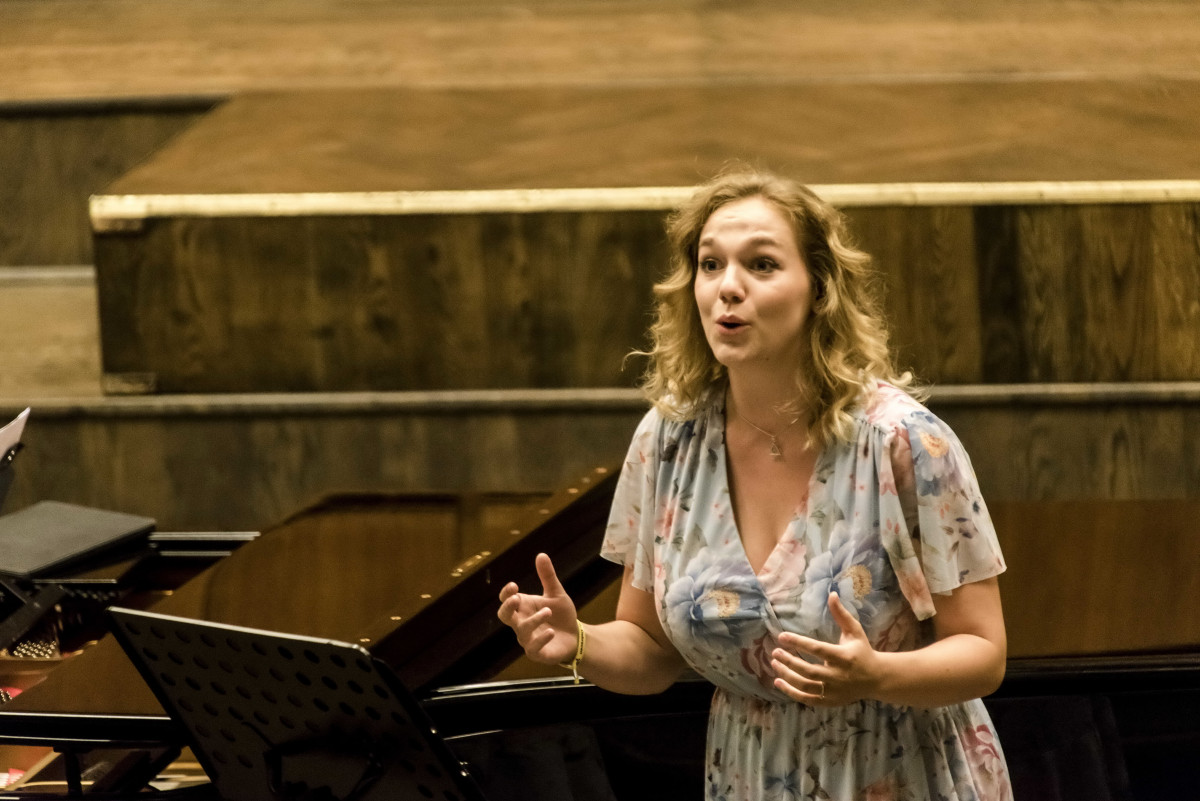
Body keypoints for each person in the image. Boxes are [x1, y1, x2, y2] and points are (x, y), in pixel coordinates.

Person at [497, 168, 1012, 800]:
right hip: (748, 774)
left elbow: (983, 652)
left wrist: (877, 675)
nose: (728, 287)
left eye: (761, 265)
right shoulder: (668, 440)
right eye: (710, 265)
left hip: (901, 771)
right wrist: (578, 642)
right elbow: (651, 652)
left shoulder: (903, 441)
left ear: (819, 289)